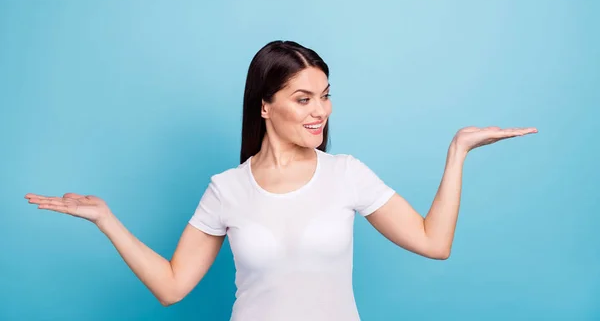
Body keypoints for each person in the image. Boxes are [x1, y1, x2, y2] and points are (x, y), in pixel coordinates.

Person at [25, 40, 537, 320]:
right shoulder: (227, 189)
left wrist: (458, 152)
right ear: (265, 106)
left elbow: (434, 242)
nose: (321, 112)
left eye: (326, 95)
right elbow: (172, 288)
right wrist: (105, 219)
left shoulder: (347, 174)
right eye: (303, 98)